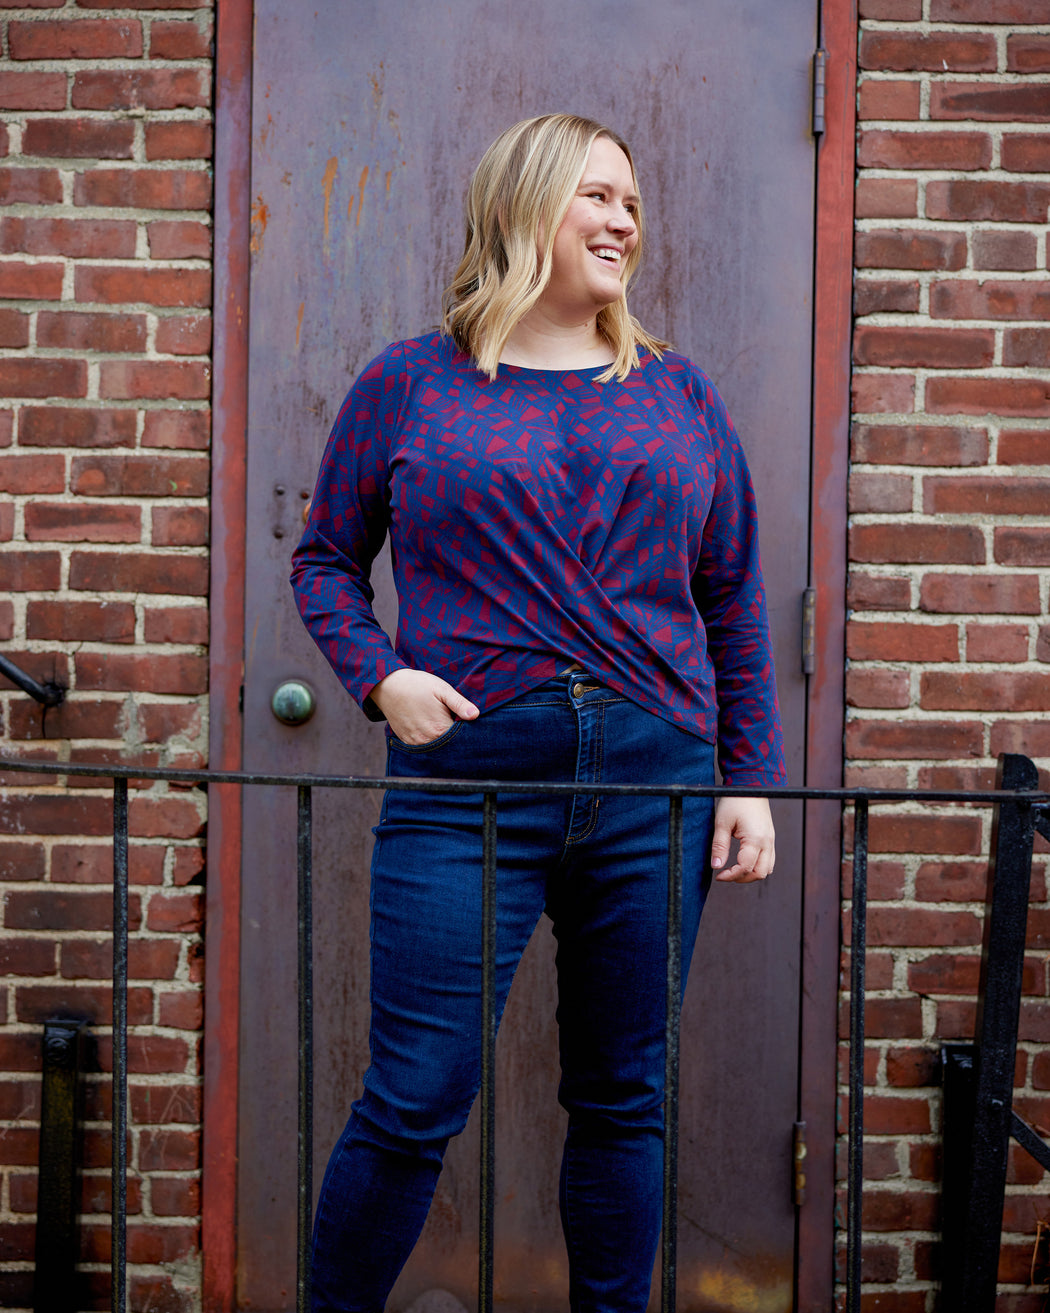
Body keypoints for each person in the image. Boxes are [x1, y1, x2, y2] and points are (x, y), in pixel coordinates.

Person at [290, 112, 785, 1313]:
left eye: (632, 204)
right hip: (467, 788)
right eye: (597, 197)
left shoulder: (678, 394)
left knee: (623, 1096)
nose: (623, 222)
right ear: (523, 206)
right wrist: (380, 676)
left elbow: (731, 594)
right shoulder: (411, 382)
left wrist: (752, 778)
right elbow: (324, 561)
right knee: (414, 1095)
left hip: (656, 787)